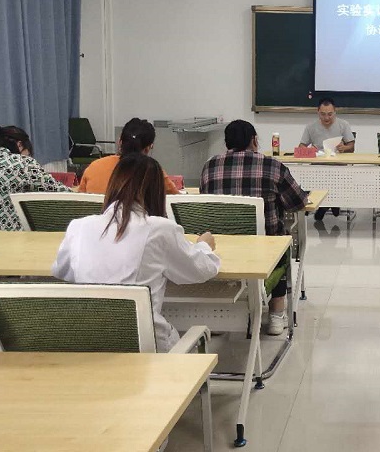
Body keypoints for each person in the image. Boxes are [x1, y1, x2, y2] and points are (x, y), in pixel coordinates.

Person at [52, 153, 220, 352]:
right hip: (147, 349)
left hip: (91, 347)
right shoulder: (159, 229)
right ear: (157, 191)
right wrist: (204, 246)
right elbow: (201, 270)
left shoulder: (79, 227)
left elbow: (61, 271)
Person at [201, 119, 308, 335]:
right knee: (281, 241)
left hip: (221, 248)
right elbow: (298, 202)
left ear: (226, 142)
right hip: (264, 250)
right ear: (254, 140)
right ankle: (276, 314)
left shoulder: (210, 166)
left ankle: (221, 313)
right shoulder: (272, 166)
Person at [0, 123, 71, 230]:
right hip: (9, 236)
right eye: (28, 153)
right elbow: (60, 193)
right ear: (20, 145)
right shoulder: (23, 163)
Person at [78, 117, 179, 195]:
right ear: (148, 148)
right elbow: (177, 200)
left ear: (120, 142)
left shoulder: (94, 167)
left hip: (100, 216)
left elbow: (80, 198)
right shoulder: (153, 171)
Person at [298, 97, 355, 220]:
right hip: (318, 166)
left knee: (334, 179)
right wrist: (309, 150)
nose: (327, 118)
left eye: (330, 114)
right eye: (323, 114)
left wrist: (344, 147)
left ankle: (325, 206)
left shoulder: (343, 124)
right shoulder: (310, 127)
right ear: (318, 112)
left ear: (335, 112)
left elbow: (351, 146)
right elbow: (301, 146)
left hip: (338, 165)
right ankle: (329, 205)